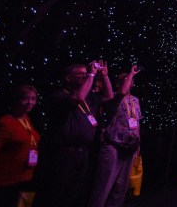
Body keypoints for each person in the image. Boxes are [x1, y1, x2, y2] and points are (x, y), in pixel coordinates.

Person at [34, 61, 114, 207]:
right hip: (64, 153)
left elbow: (109, 96)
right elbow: (78, 98)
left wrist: (104, 76)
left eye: (85, 73)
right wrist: (91, 74)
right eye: (80, 74)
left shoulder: (90, 97)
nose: (84, 76)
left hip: (83, 153)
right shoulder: (59, 95)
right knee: (56, 193)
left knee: (73, 194)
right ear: (68, 78)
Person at [88, 65, 142, 207]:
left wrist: (138, 144)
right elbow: (123, 92)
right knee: (104, 186)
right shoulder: (112, 98)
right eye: (125, 80)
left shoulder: (135, 100)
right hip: (114, 145)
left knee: (120, 188)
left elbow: (136, 122)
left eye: (130, 80)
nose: (129, 82)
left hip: (129, 147)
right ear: (118, 83)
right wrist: (131, 72)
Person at [0, 85, 41, 207]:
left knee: (24, 205)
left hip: (27, 179)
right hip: (6, 182)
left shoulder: (27, 119)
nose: (30, 102)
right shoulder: (5, 122)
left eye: (33, 99)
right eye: (26, 98)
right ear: (17, 100)